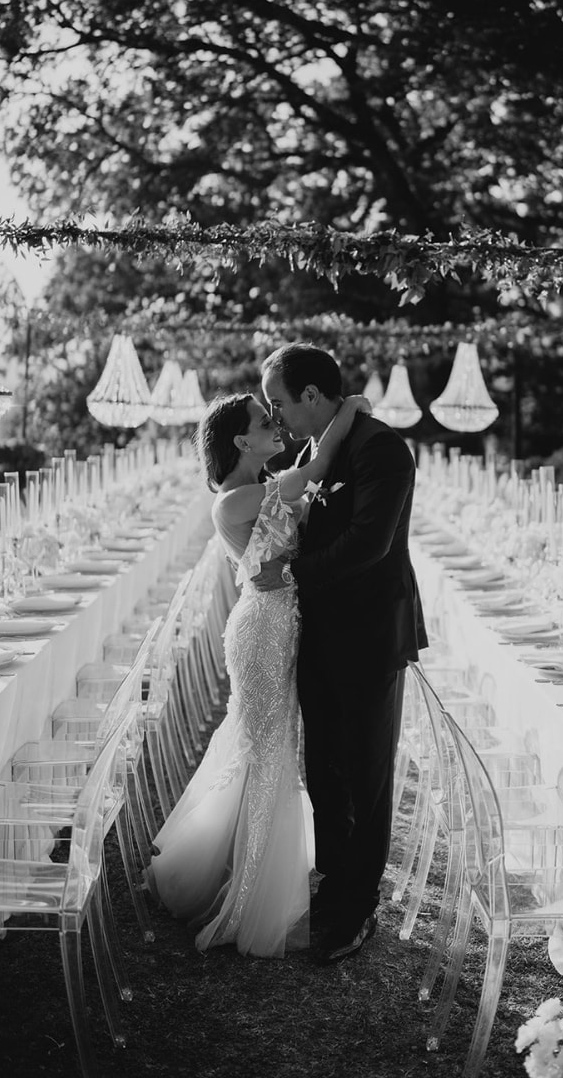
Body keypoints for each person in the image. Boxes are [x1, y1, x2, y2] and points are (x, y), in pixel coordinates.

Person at [148, 389, 368, 958]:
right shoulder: (231, 501)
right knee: (267, 749)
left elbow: (298, 480)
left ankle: (234, 869)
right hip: (263, 630)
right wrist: (347, 411)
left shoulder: (260, 485)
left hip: (282, 620)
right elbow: (314, 467)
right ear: (242, 441)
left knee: (267, 747)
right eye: (263, 420)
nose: (276, 424)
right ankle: (247, 894)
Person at [257, 344, 428, 965]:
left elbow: (368, 544)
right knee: (324, 762)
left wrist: (291, 573)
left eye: (279, 402)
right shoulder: (311, 450)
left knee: (365, 772)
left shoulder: (380, 448)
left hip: (368, 632)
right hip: (320, 631)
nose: (275, 416)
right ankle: (334, 881)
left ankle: (357, 908)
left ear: (310, 396)